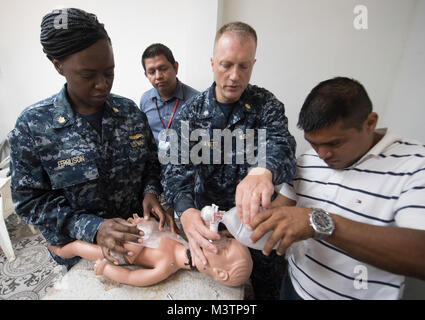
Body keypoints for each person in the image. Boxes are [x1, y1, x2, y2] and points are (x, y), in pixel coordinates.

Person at [8, 8, 175, 270]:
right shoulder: (32, 126)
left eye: (109, 72)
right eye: (88, 76)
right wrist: (93, 228)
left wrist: (151, 192)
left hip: (139, 243)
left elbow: (151, 165)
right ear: (58, 65)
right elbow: (29, 203)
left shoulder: (129, 113)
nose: (102, 84)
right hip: (81, 257)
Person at [248, 77, 425, 299]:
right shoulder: (307, 160)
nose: (322, 155)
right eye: (314, 143)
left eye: (335, 143)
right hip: (294, 288)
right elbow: (279, 211)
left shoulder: (415, 164)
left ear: (370, 123)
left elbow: (420, 255)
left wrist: (320, 223)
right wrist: (239, 220)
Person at [161, 21, 297, 299]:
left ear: (253, 64)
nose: (235, 75)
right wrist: (186, 212)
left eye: (243, 66)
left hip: (255, 224)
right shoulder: (191, 114)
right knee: (210, 292)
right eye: (226, 65)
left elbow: (283, 146)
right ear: (212, 63)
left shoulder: (266, 105)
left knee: (265, 288)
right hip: (207, 227)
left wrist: (262, 171)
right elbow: (173, 168)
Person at [47, 214, 253, 287]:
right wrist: (147, 223)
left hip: (117, 251)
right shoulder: (183, 240)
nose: (219, 242)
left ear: (219, 272)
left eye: (224, 250)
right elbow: (162, 234)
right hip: (125, 230)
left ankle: (57, 250)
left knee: (77, 247)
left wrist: (106, 270)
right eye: (226, 240)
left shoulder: (167, 265)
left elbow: (132, 277)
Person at [140, 43, 199, 146]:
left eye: (163, 69)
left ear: (175, 67)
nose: (158, 76)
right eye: (152, 72)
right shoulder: (145, 100)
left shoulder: (197, 100)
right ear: (146, 75)